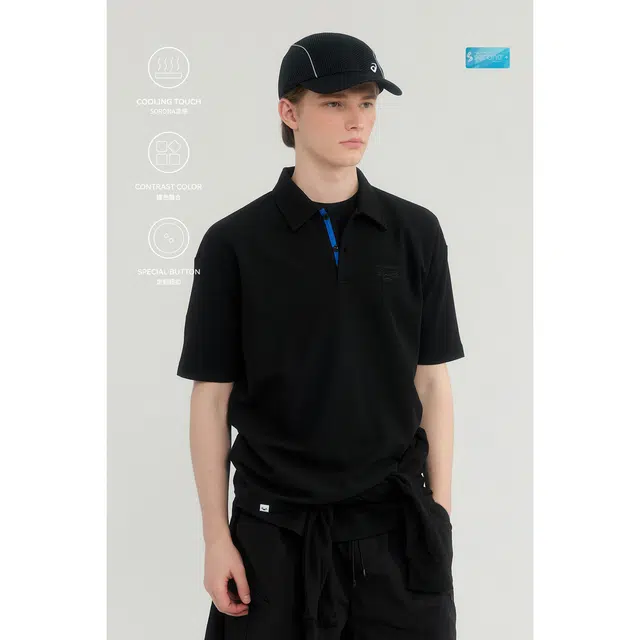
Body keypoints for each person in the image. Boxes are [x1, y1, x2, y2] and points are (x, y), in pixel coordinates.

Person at [177, 32, 465, 640]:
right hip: (273, 536)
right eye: (335, 103)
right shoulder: (233, 244)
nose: (357, 120)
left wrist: (439, 515)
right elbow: (211, 398)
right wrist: (215, 537)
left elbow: (432, 382)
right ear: (289, 111)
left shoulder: (416, 232)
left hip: (397, 533)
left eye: (367, 103)